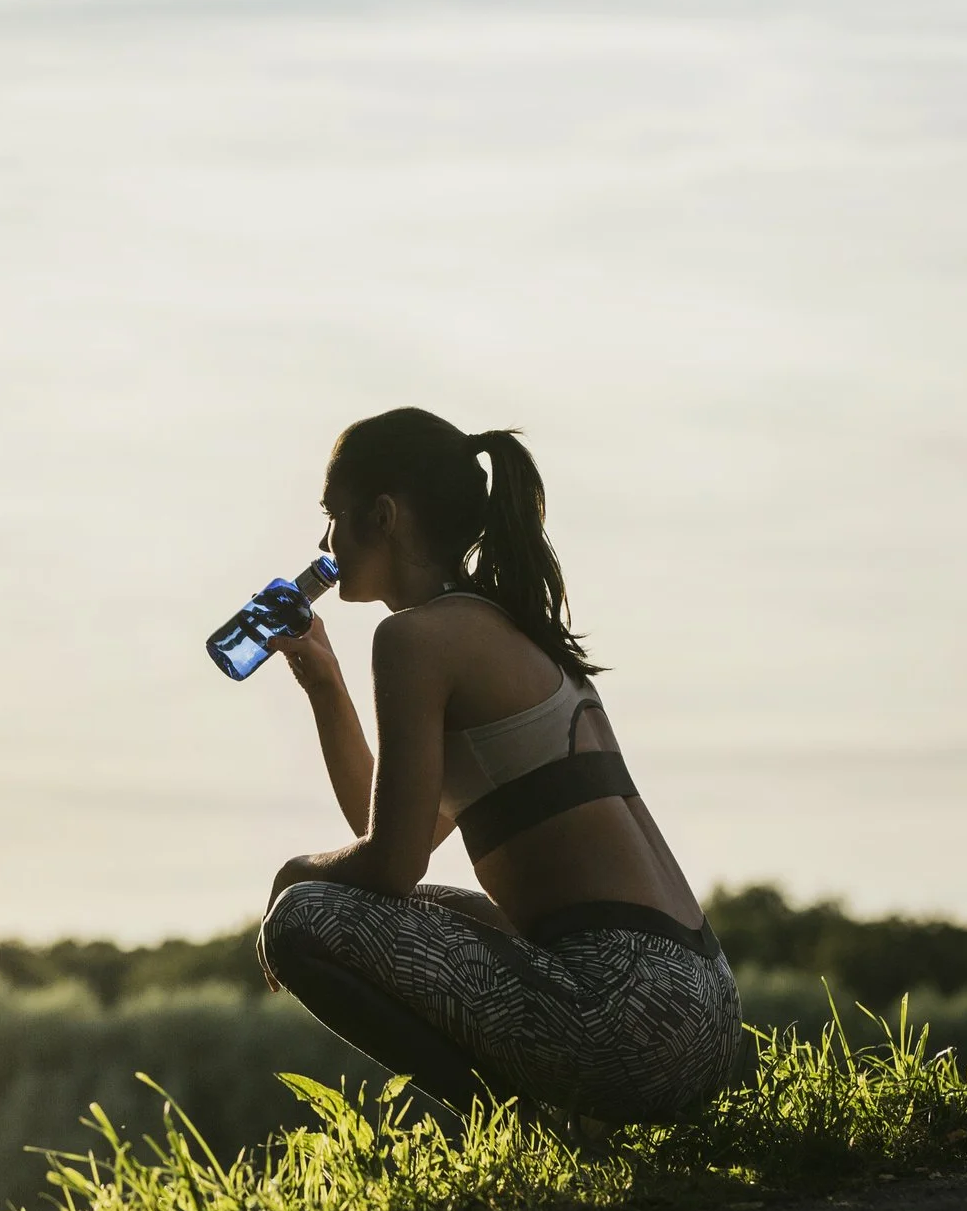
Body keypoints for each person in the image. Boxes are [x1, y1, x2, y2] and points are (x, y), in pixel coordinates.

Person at [256, 407, 741, 1124]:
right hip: (704, 1007)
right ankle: (554, 1126)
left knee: (299, 915)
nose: (324, 543)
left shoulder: (414, 639)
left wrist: (295, 870)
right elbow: (397, 834)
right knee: (406, 907)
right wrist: (325, 683)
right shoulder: (503, 629)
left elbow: (388, 865)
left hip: (629, 1016)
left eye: (334, 516)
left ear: (382, 515)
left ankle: (520, 1133)